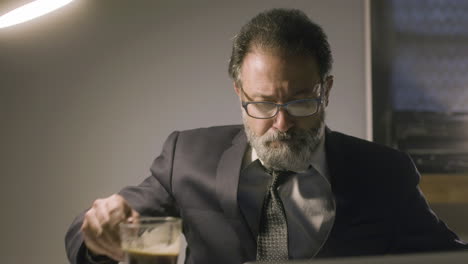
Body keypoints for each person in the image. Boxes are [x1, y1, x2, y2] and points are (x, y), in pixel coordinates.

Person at [65, 8, 467, 264]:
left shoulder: (384, 173)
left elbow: (447, 257)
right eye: (262, 104)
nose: (281, 124)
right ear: (239, 93)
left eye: (299, 103)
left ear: (325, 90)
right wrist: (102, 229)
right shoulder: (185, 156)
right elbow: (86, 236)